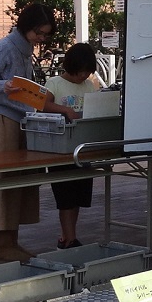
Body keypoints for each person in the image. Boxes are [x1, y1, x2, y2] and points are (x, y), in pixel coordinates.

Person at [0, 3, 56, 264]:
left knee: (16, 182)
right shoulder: (5, 46)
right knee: (1, 181)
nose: (41, 38)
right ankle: (0, 244)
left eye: (45, 34)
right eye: (39, 33)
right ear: (26, 26)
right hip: (0, 119)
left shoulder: (24, 48)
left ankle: (10, 242)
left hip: (18, 118)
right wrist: (5, 85)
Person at [42, 42, 101, 249]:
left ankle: (71, 235)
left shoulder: (89, 85)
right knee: (65, 197)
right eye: (80, 72)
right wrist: (64, 110)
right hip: (61, 148)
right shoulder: (55, 83)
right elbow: (42, 103)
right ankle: (67, 237)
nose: (83, 76)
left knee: (78, 197)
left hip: (82, 148)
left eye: (87, 72)